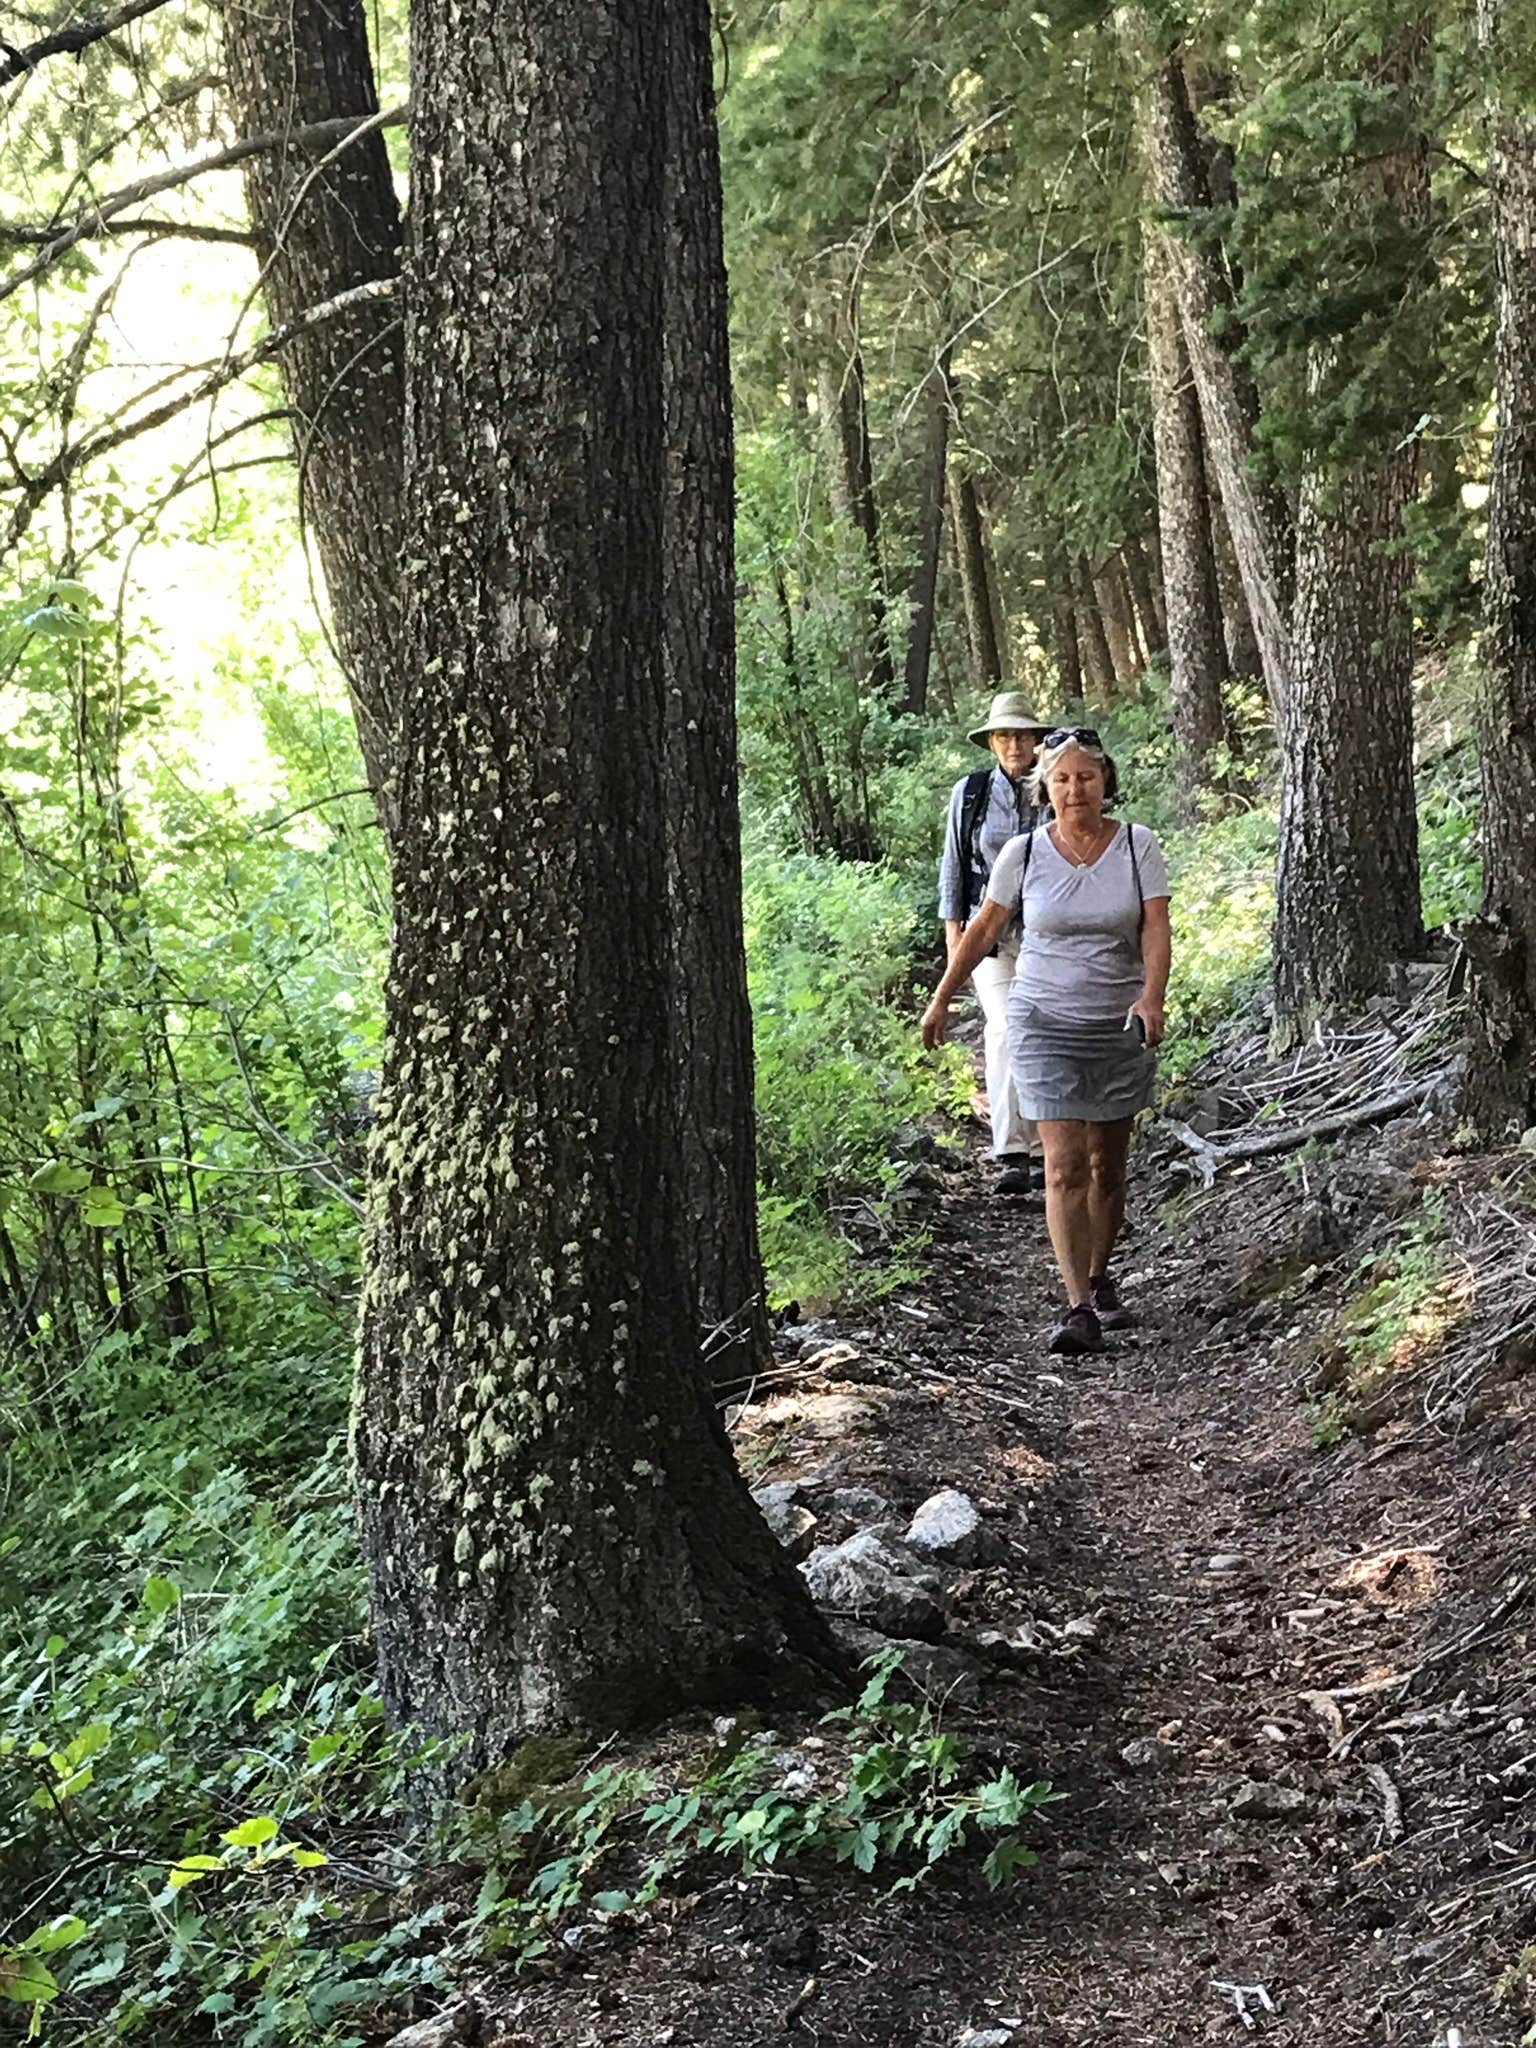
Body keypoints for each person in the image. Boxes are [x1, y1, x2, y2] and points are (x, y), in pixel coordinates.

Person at [923, 729, 1171, 1356]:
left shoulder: (1138, 847)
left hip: (1118, 1023)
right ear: (1045, 789)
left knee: (1107, 1168)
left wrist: (1151, 997)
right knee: (1061, 1168)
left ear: (1105, 783)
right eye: (1061, 779)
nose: (1074, 789)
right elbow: (983, 930)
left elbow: (1156, 929)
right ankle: (1077, 1306)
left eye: (1085, 777)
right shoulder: (1024, 854)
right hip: (1043, 1020)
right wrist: (943, 995)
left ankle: (1099, 1273)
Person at [936, 691, 1051, 1197]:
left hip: (1048, 936)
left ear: (1036, 740)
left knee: (1045, 1031)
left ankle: (1048, 1145)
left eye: (1023, 734)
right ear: (991, 742)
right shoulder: (970, 794)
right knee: (1006, 1027)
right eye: (1004, 735)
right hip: (990, 940)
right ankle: (1010, 1150)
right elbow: (953, 871)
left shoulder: (1055, 784)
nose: (1014, 743)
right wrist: (954, 945)